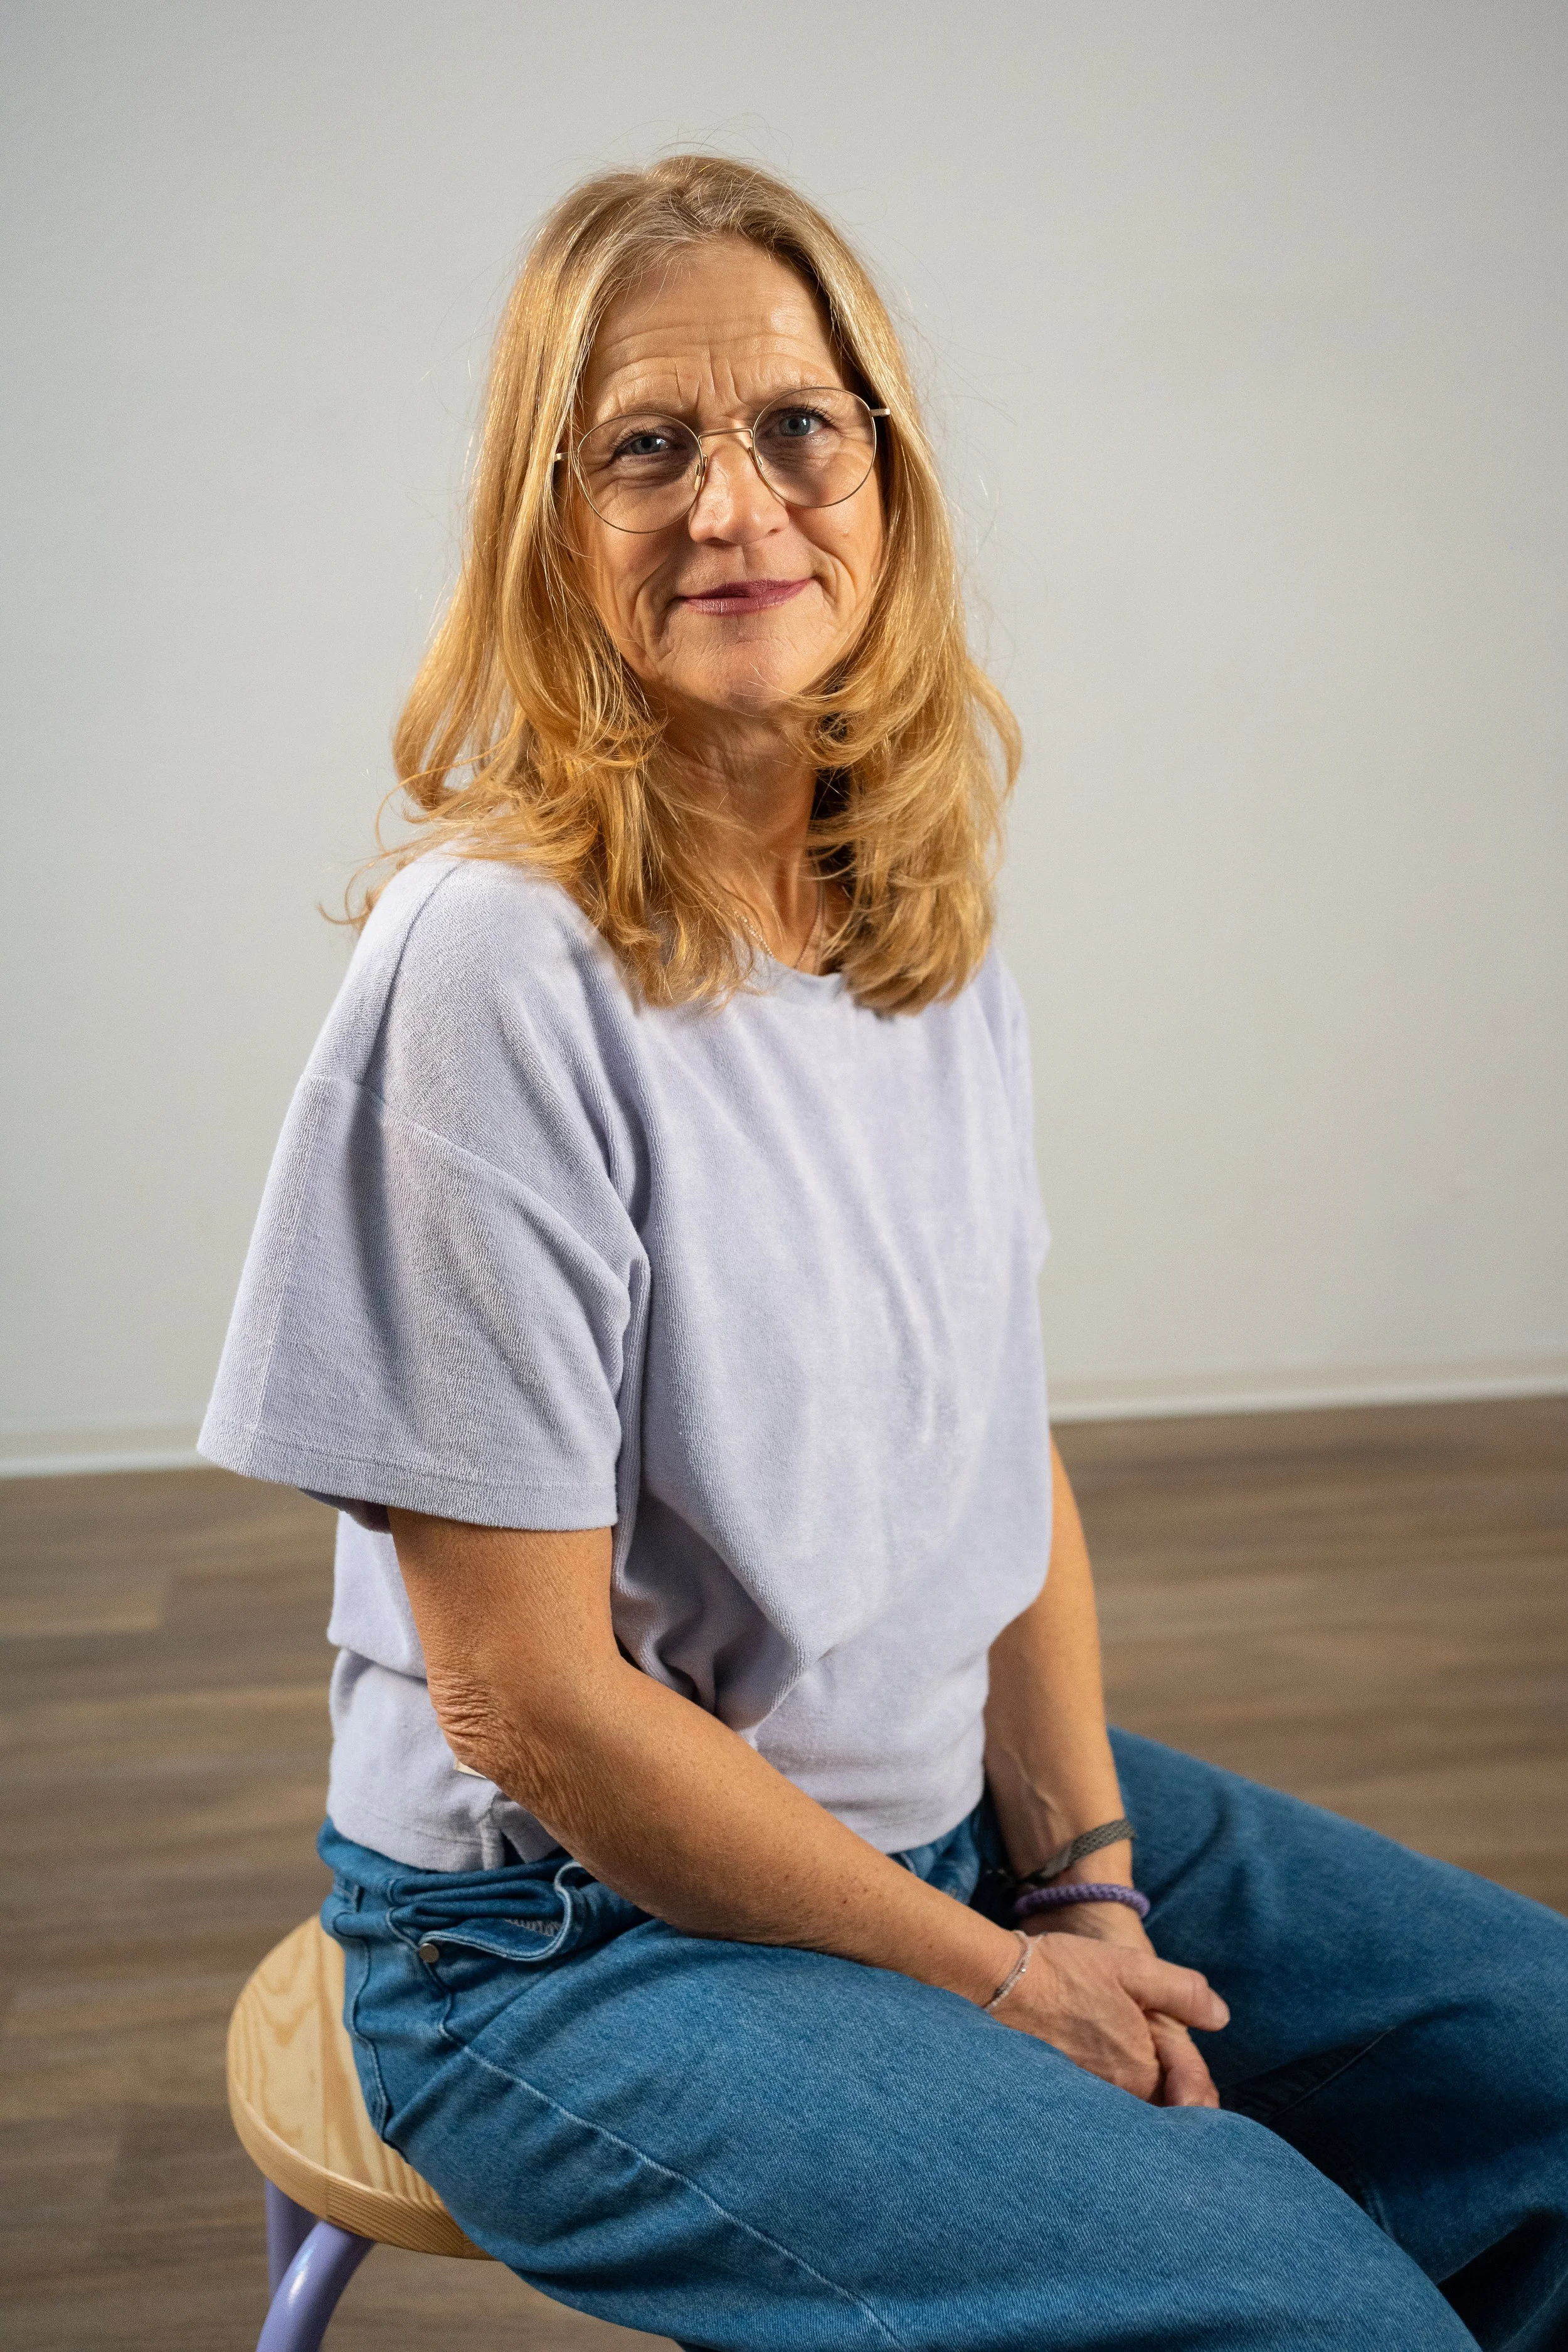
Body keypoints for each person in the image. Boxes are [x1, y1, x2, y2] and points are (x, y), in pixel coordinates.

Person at [201, 156, 1566, 2351]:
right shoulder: (496, 967)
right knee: (1297, 2306)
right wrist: (1016, 1981)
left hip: (929, 1817)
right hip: (565, 1945)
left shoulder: (912, 913)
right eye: (646, 446)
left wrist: (1085, 1870)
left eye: (793, 430)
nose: (734, 504)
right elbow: (524, 1702)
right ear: (551, 528)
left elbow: (990, 1453)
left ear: (887, 477)